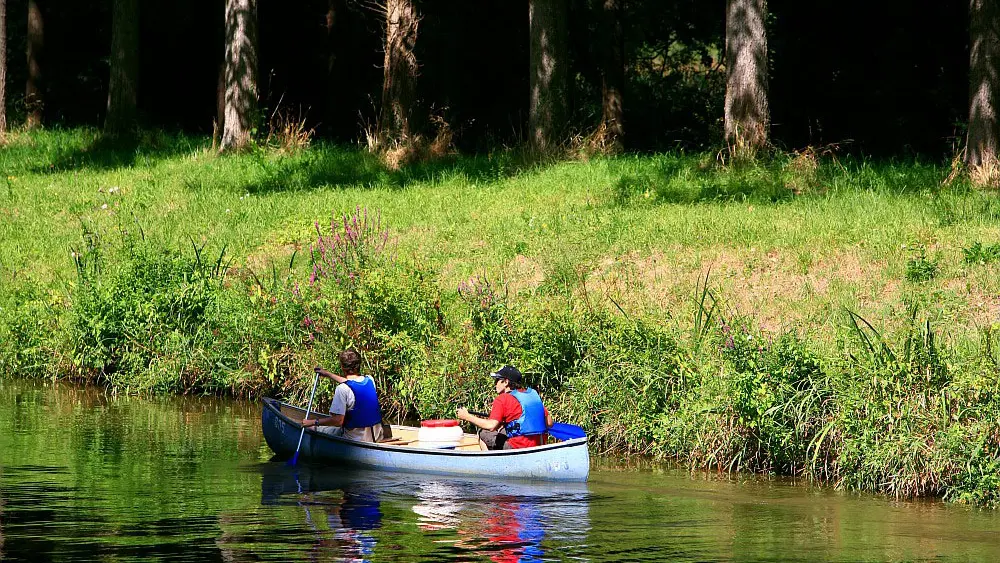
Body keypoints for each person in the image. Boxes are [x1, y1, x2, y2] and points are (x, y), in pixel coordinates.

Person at [456, 365, 552, 450]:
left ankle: (489, 463)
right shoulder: (532, 395)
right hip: (539, 446)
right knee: (502, 430)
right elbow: (549, 423)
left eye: (497, 380)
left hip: (518, 448)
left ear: (505, 382)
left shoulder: (502, 399)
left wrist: (467, 416)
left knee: (483, 432)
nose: (495, 383)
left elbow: (491, 426)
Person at [302, 349, 384, 442]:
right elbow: (353, 384)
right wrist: (328, 374)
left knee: (312, 428)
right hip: (376, 436)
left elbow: (338, 421)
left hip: (355, 439)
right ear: (358, 365)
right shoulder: (370, 380)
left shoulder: (342, 389)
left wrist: (312, 422)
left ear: (342, 367)